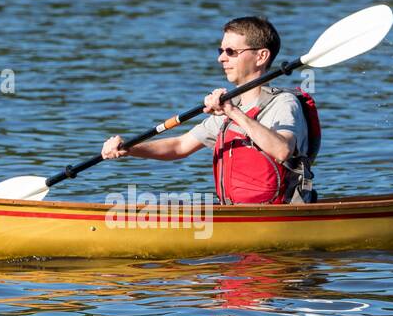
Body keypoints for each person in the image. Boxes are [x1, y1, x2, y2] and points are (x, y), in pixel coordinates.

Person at [101, 16, 316, 204]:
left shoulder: (283, 103)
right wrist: (130, 149)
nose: (221, 58)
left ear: (261, 56)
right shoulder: (231, 108)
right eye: (221, 50)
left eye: (231, 52)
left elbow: (282, 150)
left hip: (280, 214)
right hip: (237, 214)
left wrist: (232, 112)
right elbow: (179, 146)